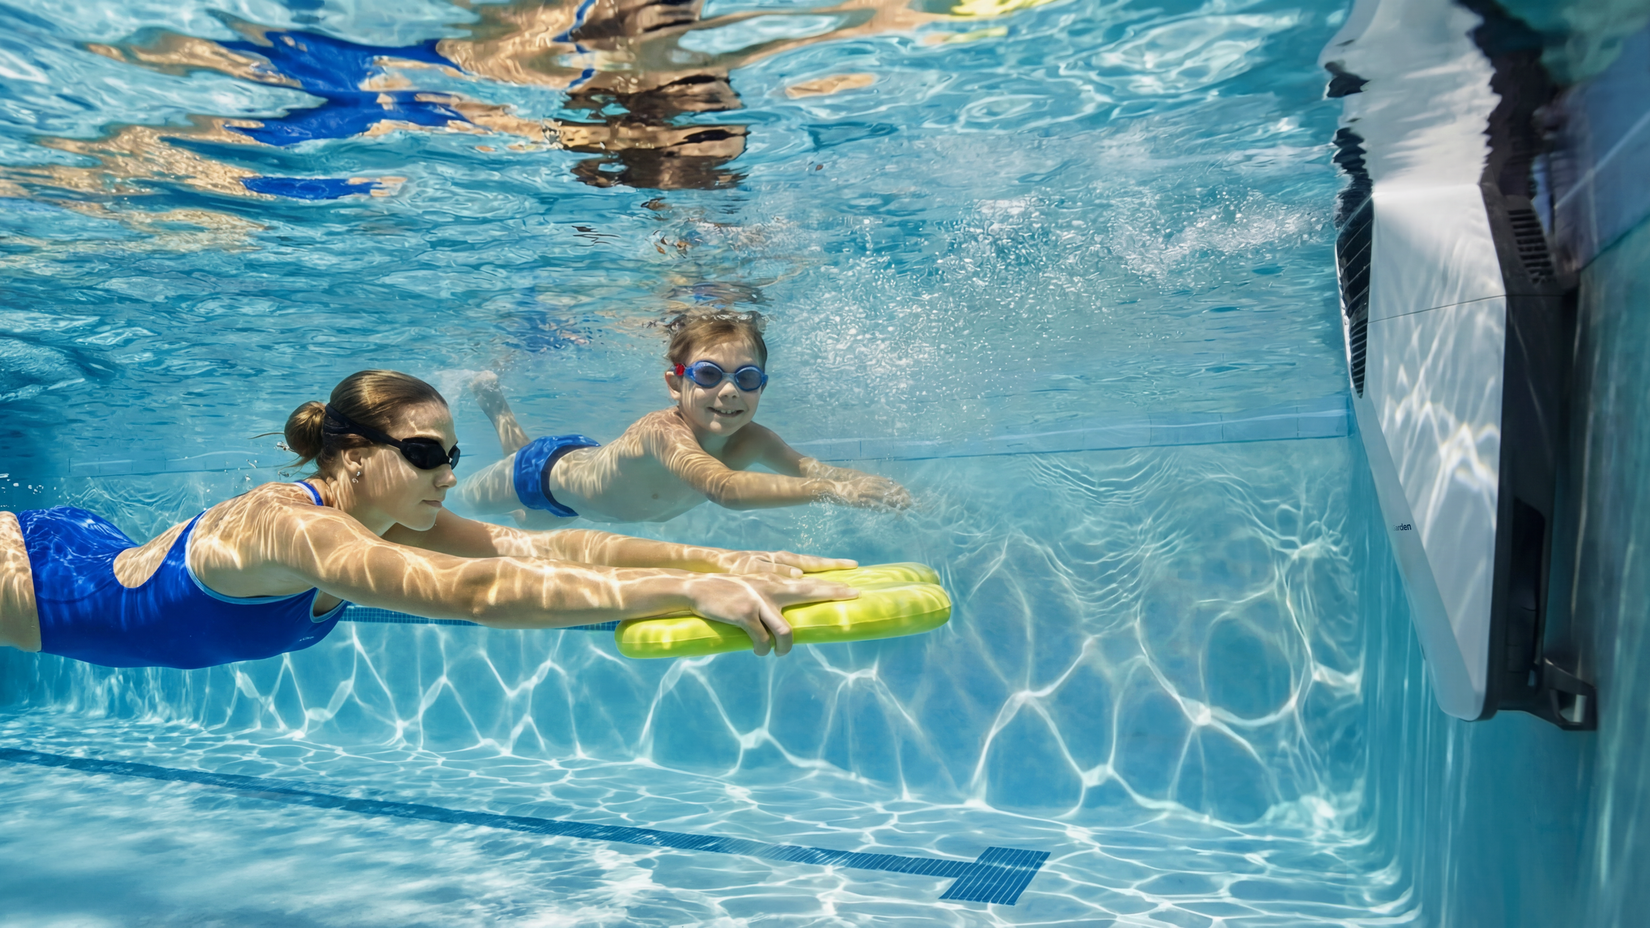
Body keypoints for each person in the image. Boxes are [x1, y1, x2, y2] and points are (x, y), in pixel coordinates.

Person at [0, 370, 856, 670]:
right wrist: (686, 592)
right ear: (348, 454)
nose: (449, 475)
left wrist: (726, 563)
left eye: (452, 455)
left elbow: (545, 545)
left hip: (86, 549)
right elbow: (480, 592)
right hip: (32, 587)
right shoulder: (290, 528)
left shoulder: (389, 517)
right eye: (423, 455)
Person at [457, 312, 913, 528]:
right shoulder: (663, 433)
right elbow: (725, 489)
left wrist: (868, 484)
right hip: (543, 473)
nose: (730, 391)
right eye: (710, 375)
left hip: (576, 506)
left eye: (747, 378)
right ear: (676, 385)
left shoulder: (752, 440)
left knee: (523, 525)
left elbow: (809, 467)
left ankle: (499, 409)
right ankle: (496, 406)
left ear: (761, 387)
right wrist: (833, 493)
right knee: (459, 508)